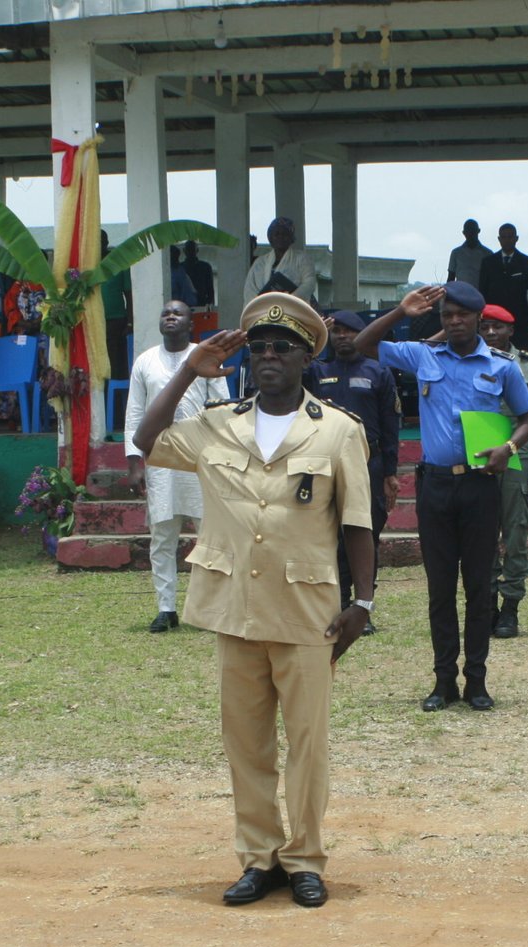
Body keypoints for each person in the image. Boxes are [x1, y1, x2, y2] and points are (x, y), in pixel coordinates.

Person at [133, 292, 375, 910]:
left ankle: (305, 859)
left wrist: (363, 604)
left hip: (307, 611)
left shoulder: (339, 430)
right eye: (260, 347)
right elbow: (145, 439)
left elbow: (357, 525)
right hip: (234, 607)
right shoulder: (216, 422)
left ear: (305, 358)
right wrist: (190, 368)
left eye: (283, 348)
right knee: (246, 743)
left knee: (308, 744)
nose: (269, 357)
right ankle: (259, 856)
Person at [355, 282, 528, 711]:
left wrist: (508, 448)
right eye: (447, 316)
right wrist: (401, 311)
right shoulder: (423, 356)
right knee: (439, 589)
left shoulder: (502, 366)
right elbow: (364, 345)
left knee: (477, 586)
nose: (454, 322)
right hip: (434, 485)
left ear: (478, 319)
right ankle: (442, 682)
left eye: (462, 315)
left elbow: (527, 418)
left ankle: (476, 681)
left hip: (480, 485)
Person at [124, 300, 228, 633]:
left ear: (190, 323)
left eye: (177, 313)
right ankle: (166, 608)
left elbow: (222, 410)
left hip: (201, 458)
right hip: (160, 461)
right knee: (162, 538)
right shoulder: (145, 361)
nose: (170, 316)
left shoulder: (205, 355)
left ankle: (214, 607)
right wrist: (134, 463)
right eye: (165, 312)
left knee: (210, 537)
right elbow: (135, 414)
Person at [303, 310, 400, 635]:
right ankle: (336, 604)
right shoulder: (318, 370)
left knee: (365, 536)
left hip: (367, 462)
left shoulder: (379, 372)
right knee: (329, 537)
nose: (342, 337)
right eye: (337, 331)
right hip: (324, 460)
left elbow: (390, 426)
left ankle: (362, 607)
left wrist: (390, 473)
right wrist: (317, 337)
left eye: (349, 331)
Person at [477, 304, 528, 640]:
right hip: (479, 447)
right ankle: (488, 605)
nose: (490, 333)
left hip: (517, 452)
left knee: (516, 533)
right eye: (485, 328)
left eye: (497, 327)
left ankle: (510, 608)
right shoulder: (470, 358)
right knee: (482, 534)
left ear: (510, 330)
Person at [478, 223, 528, 330]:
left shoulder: (527, 263)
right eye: (503, 237)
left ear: (516, 238)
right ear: (499, 239)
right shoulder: (488, 263)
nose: (507, 240)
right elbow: (482, 292)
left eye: (510, 236)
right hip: (494, 319)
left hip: (520, 320)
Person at [242, 217, 317, 306]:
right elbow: (250, 289)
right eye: (276, 234)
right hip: (263, 313)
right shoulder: (260, 263)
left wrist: (290, 299)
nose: (280, 237)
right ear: (270, 238)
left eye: (285, 234)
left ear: (291, 238)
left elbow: (309, 282)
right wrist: (259, 306)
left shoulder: (302, 258)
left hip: (293, 310)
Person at [100, 230, 134, 381]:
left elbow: (129, 294)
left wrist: (130, 322)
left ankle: (118, 402)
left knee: (116, 366)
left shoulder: (119, 262)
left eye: (101, 241)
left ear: (106, 243)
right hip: (94, 323)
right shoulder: (87, 265)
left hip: (116, 321)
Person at [446, 218, 491, 288]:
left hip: (481, 295)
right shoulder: (456, 253)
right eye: (468, 231)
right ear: (464, 233)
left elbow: (491, 279)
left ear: (478, 231)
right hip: (460, 294)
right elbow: (451, 278)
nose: (470, 233)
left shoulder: (488, 254)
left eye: (473, 231)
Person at [181, 239, 216, 308]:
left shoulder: (205, 267)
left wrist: (211, 306)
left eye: (192, 250)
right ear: (184, 251)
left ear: (197, 250)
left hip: (202, 304)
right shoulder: (180, 268)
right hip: (183, 305)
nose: (190, 252)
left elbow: (210, 289)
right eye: (189, 250)